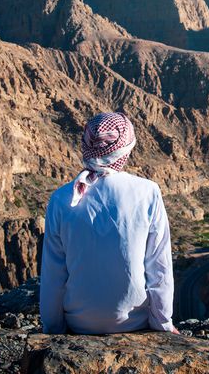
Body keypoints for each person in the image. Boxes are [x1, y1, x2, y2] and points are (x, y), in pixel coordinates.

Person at [39, 112, 177, 334]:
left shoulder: (61, 198)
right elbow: (159, 266)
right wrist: (163, 323)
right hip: (134, 322)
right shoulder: (148, 191)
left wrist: (53, 327)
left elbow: (53, 275)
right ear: (125, 149)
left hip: (78, 323)